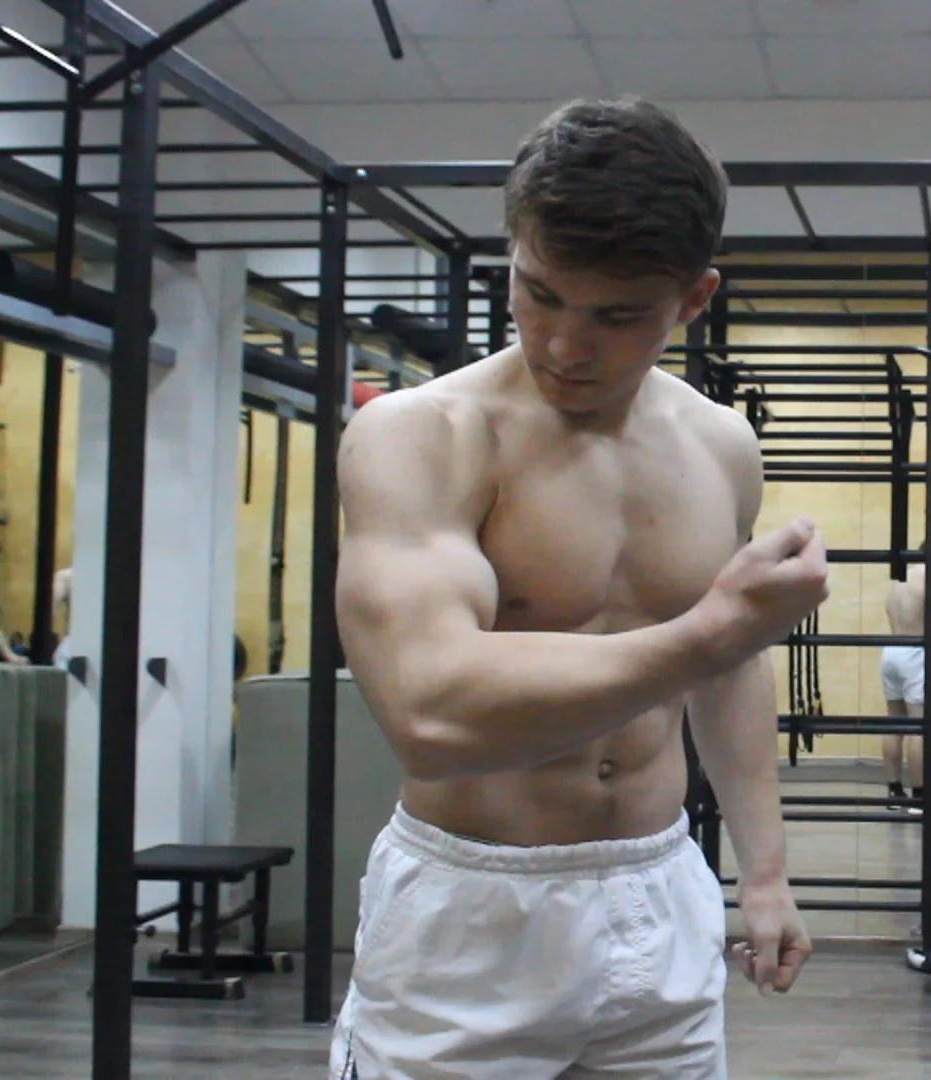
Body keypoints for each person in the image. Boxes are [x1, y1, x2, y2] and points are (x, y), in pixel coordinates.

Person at [330, 96, 827, 1080]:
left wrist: (764, 870)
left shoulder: (721, 445)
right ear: (513, 254)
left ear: (692, 299)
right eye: (539, 293)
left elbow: (729, 672)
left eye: (617, 315)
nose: (565, 344)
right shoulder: (424, 436)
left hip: (657, 888)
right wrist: (713, 629)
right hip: (473, 908)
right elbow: (430, 712)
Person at [879, 562, 926, 811]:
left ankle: (894, 792)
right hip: (915, 651)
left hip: (891, 650)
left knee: (895, 723)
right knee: (920, 727)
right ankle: (920, 797)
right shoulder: (930, 578)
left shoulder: (897, 581)